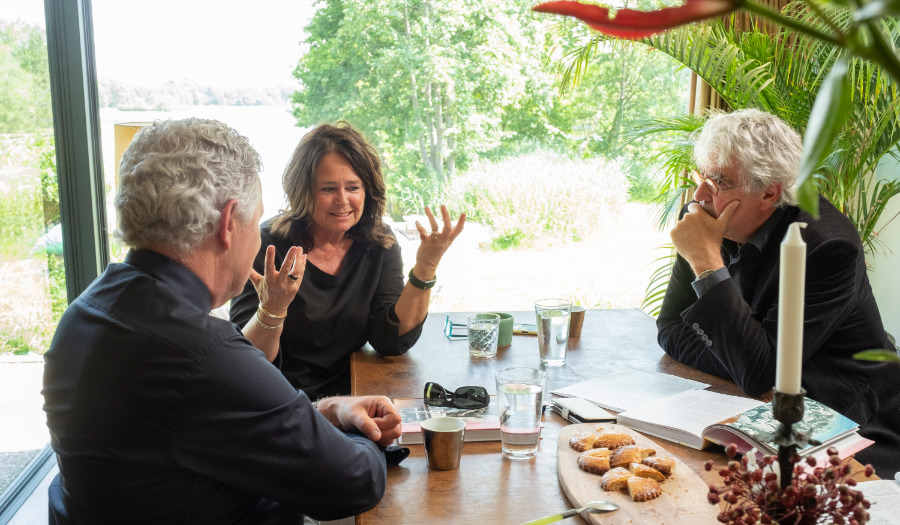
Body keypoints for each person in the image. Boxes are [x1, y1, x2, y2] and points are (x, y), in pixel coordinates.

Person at [42, 118, 403, 524]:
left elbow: (223, 425)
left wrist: (332, 409)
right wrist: (366, 436)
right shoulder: (201, 354)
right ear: (229, 223)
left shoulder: (86, 313)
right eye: (256, 220)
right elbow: (354, 481)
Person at [657, 108, 900, 475]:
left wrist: (707, 262)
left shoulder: (827, 245)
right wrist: (745, 364)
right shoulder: (707, 219)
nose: (700, 194)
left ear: (769, 192)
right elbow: (670, 328)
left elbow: (760, 372)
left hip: (851, 428)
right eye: (702, 176)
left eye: (719, 182)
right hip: (757, 408)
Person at [230, 121, 465, 400]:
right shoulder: (267, 246)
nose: (343, 200)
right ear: (303, 191)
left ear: (367, 190)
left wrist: (426, 267)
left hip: (354, 397)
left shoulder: (379, 242)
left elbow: (390, 340)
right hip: (281, 401)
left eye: (353, 187)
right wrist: (273, 308)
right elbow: (246, 361)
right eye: (328, 189)